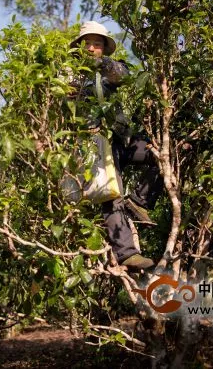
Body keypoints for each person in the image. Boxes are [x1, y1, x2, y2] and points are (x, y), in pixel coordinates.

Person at [69, 21, 164, 270]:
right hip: (95, 146)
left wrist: (103, 65)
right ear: (79, 47)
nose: (91, 48)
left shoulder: (112, 68)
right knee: (110, 196)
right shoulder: (70, 73)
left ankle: (140, 202)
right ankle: (127, 253)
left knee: (162, 156)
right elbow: (61, 92)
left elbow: (124, 75)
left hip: (122, 140)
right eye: (86, 44)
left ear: (103, 49)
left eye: (96, 44)